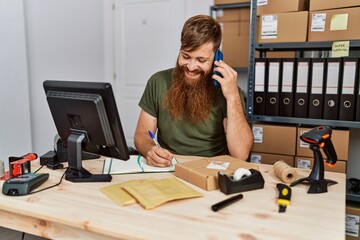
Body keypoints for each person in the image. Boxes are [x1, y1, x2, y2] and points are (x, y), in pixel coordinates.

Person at [134, 15, 254, 167]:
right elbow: (142, 134)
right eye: (186, 56)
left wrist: (232, 97)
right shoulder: (157, 81)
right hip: (169, 166)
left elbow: (241, 153)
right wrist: (150, 150)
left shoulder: (227, 90)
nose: (191, 67)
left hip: (210, 168)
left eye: (201, 60)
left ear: (217, 57)